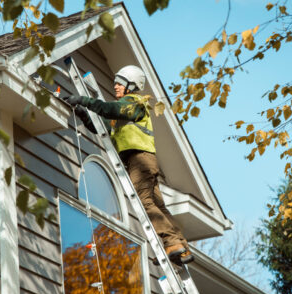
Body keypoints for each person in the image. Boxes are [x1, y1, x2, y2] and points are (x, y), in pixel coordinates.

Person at [64, 65, 194, 265]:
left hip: (139, 160)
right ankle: (179, 247)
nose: (115, 86)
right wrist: (82, 112)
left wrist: (85, 100)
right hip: (144, 161)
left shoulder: (135, 104)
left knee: (145, 203)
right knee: (159, 206)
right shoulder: (125, 114)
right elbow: (104, 129)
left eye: (119, 83)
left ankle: (172, 243)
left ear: (131, 85)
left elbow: (111, 109)